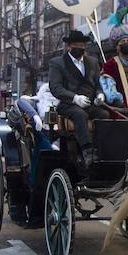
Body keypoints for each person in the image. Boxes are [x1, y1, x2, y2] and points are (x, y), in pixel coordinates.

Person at [48, 28, 103, 164]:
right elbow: (55, 88)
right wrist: (75, 98)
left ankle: (102, 148)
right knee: (80, 114)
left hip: (90, 103)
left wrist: (100, 95)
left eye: (82, 46)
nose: (80, 48)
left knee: (105, 115)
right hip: (68, 105)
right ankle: (87, 151)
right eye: (76, 46)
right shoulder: (57, 63)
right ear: (68, 46)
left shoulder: (93, 62)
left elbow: (97, 84)